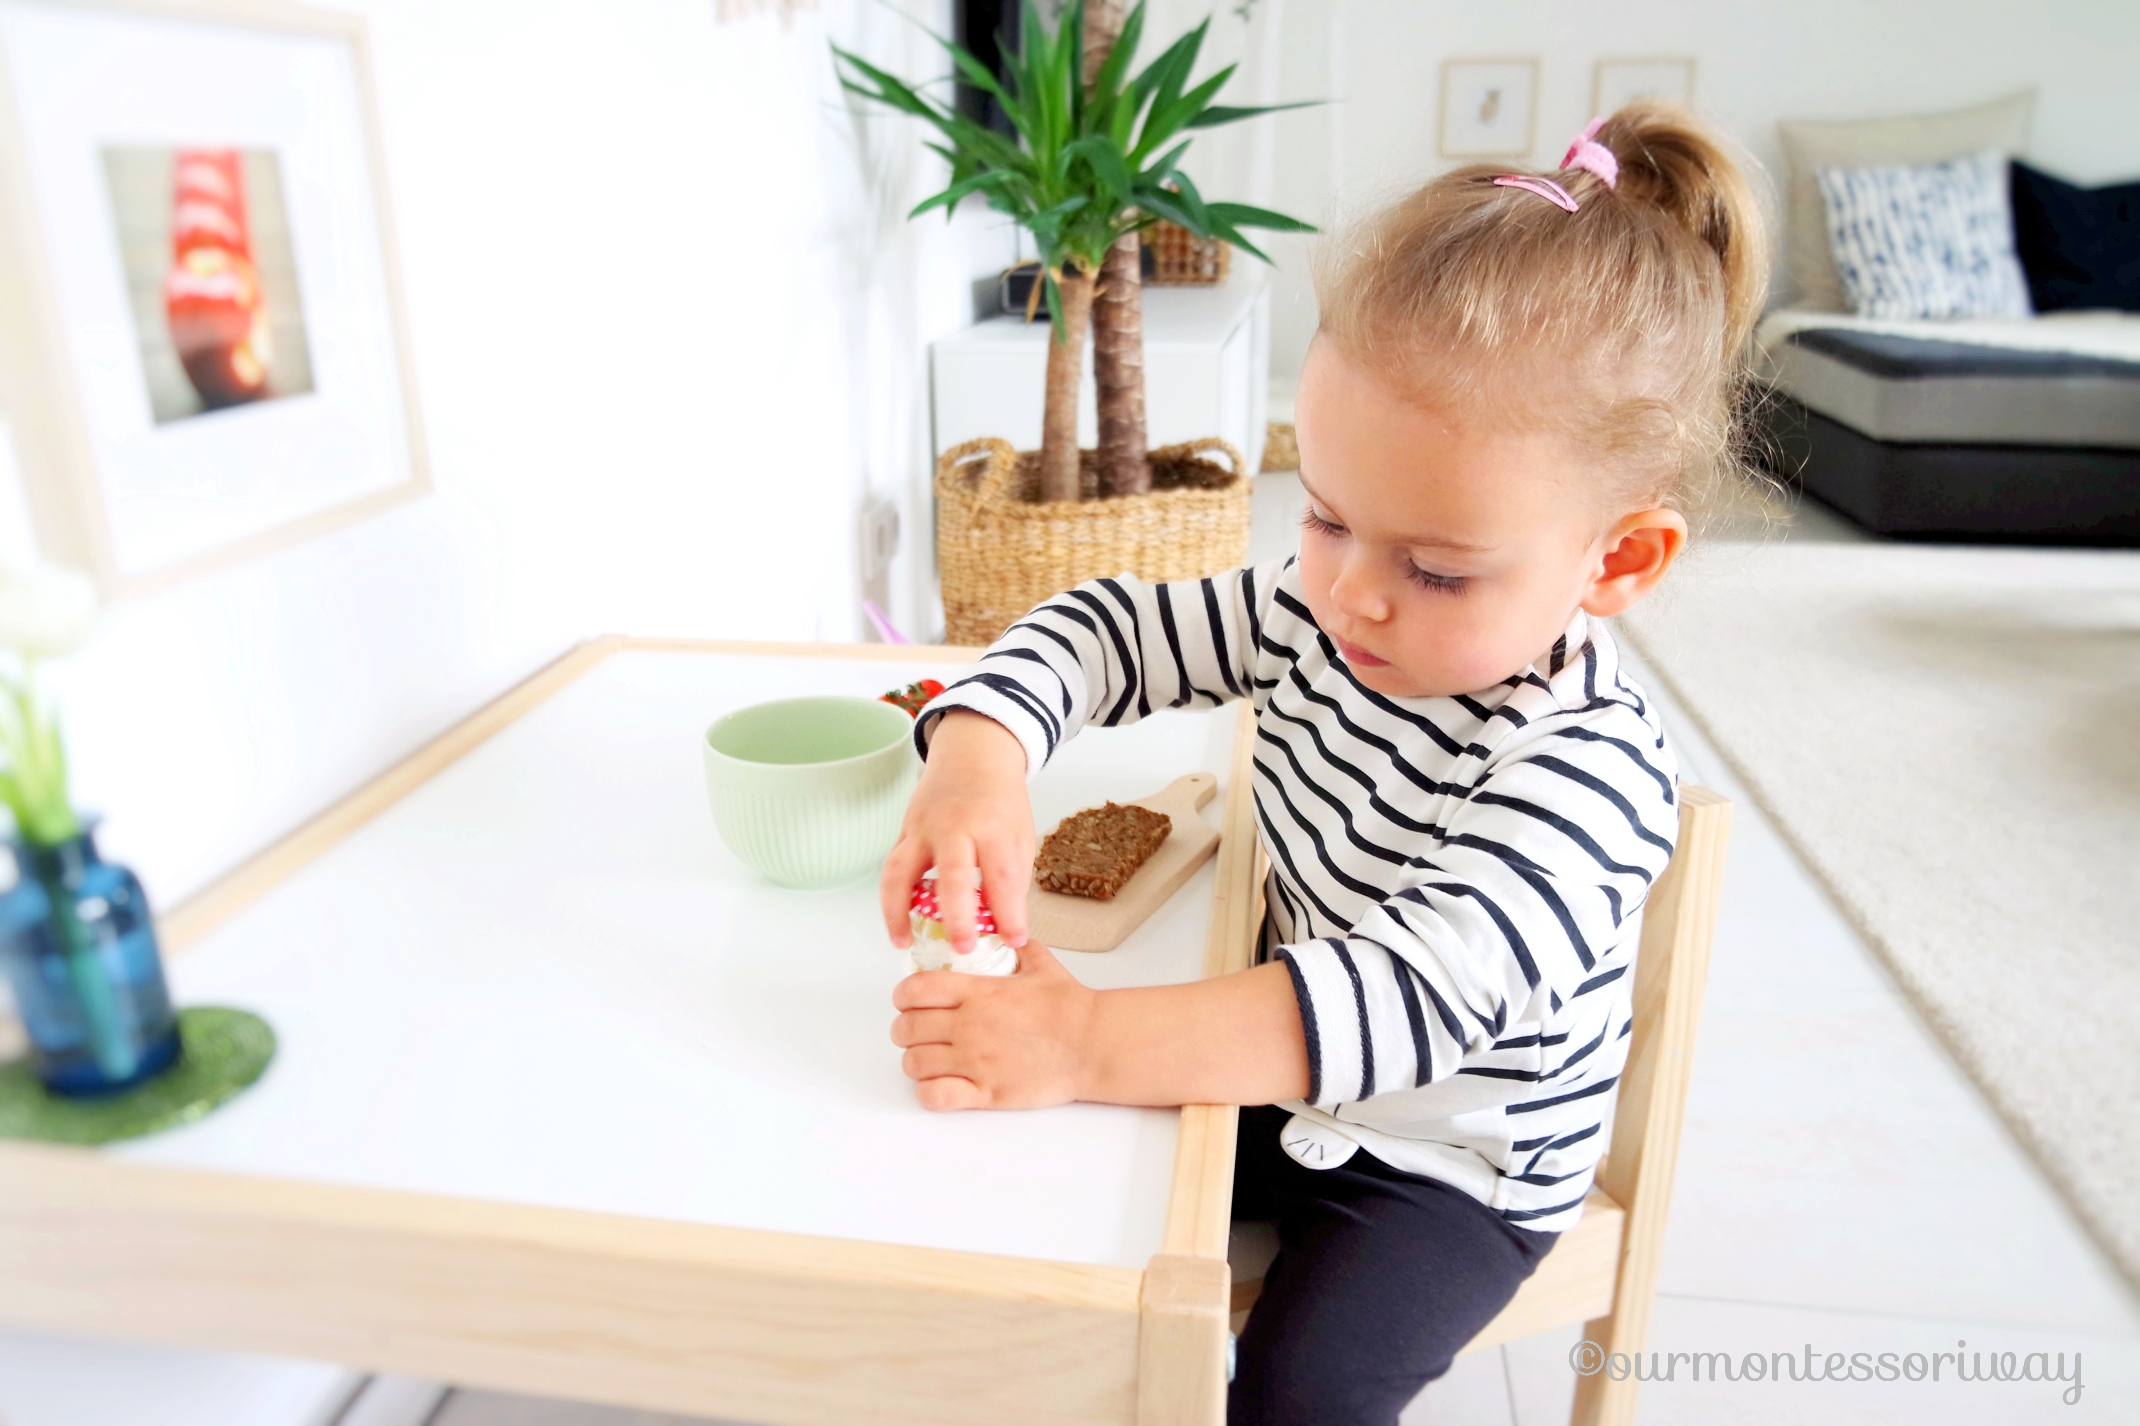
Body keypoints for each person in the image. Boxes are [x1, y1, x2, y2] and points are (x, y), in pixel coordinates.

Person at [878, 102, 1767, 1425]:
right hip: (1275, 1059)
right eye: (1331, 516)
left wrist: (1081, 1040)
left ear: (1618, 559)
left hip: (1446, 1162)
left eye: (1437, 566)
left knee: (1297, 1392)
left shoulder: (1586, 773)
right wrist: (980, 754)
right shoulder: (1320, 611)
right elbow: (1109, 625)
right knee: (1035, 1217)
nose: (1353, 594)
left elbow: (1388, 1005)